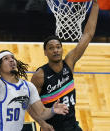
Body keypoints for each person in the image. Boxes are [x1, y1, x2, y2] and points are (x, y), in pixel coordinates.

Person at [0, 33, 69, 131]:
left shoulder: (28, 86)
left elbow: (41, 113)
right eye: (6, 59)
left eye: (12, 58)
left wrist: (53, 110)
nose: (11, 60)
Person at [31, 1, 99, 131]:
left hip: (72, 125)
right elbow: (29, 104)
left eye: (58, 47)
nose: (56, 50)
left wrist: (95, 5)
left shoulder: (69, 62)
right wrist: (42, 124)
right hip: (52, 128)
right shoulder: (40, 75)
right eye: (51, 48)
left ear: (62, 49)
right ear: (45, 52)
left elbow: (88, 35)